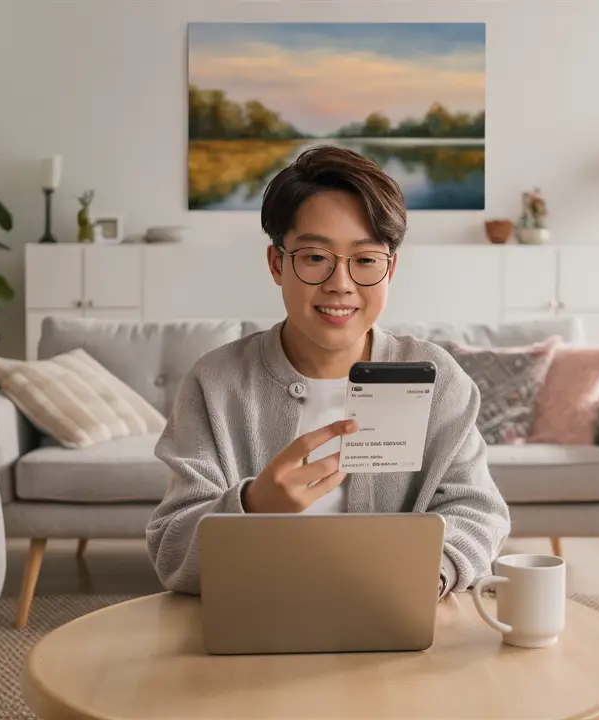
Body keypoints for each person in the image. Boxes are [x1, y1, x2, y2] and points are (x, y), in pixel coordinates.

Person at [145, 145, 511, 598]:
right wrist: (253, 506)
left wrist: (429, 575)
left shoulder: (437, 379)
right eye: (315, 257)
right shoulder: (215, 384)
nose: (341, 283)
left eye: (365, 260)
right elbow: (171, 550)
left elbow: (477, 511)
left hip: (397, 627)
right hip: (257, 623)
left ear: (390, 268)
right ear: (277, 264)